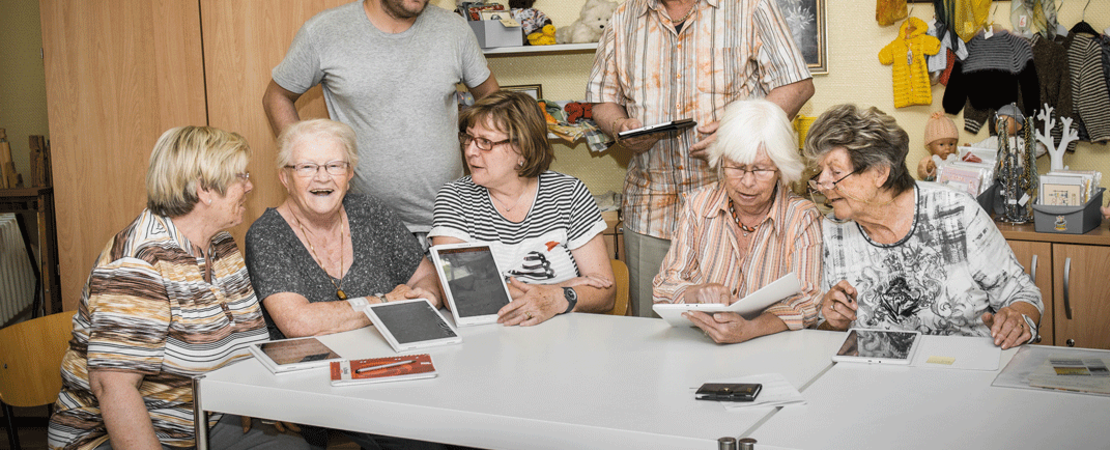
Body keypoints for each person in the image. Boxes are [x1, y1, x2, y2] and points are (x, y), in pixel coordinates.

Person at [48, 127, 308, 450]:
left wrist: (258, 399)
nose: (249, 185)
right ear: (204, 189)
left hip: (202, 422)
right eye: (240, 176)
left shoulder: (220, 243)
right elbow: (113, 389)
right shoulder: (138, 264)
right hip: (116, 436)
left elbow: (246, 340)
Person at [585, 0, 816, 317]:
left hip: (735, 211)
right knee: (657, 340)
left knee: (740, 330)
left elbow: (797, 84)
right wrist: (619, 127)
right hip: (651, 212)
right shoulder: (625, 14)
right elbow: (602, 100)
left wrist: (737, 133)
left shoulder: (749, 6)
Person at [245, 119, 446, 449]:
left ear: (350, 173)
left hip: (396, 369)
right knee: (422, 438)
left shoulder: (372, 213)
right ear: (285, 176)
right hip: (321, 383)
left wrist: (425, 295)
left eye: (334, 165)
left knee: (451, 419)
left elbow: (426, 276)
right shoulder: (267, 235)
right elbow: (299, 321)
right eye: (307, 166)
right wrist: (384, 304)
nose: (322, 177)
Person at [804, 104, 1044, 349]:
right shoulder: (832, 230)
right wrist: (833, 323)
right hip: (876, 377)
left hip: (964, 368)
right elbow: (823, 333)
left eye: (835, 172)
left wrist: (1017, 317)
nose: (822, 184)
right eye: (820, 172)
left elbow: (1023, 294)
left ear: (880, 172)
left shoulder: (954, 211)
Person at [263, 0, 500, 242]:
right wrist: (305, 166)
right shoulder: (324, 31)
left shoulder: (455, 30)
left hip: (451, 224)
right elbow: (277, 97)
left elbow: (494, 101)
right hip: (363, 228)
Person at [430, 91, 615, 325]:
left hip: (566, 339)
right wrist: (561, 291)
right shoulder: (455, 198)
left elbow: (605, 292)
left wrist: (552, 298)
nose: (470, 151)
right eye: (469, 138)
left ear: (522, 150)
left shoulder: (569, 193)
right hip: (488, 340)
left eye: (485, 142)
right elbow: (456, 292)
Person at [652, 98, 822, 344]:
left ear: (781, 169)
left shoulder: (802, 216)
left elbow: (808, 299)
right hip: (702, 346)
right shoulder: (698, 206)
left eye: (761, 169)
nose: (748, 182)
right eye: (737, 168)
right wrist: (695, 292)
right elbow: (663, 287)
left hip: (774, 350)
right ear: (721, 161)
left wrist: (751, 329)